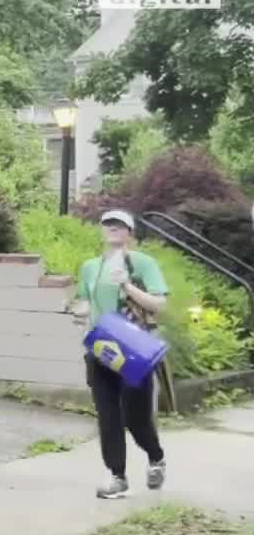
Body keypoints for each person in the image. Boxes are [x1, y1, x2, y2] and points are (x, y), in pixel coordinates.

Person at [67, 209, 168, 500]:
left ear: (130, 232)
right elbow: (88, 305)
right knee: (108, 416)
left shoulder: (143, 263)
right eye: (107, 224)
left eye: (119, 224)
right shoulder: (89, 267)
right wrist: (77, 311)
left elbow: (159, 304)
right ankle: (117, 476)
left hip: (134, 350)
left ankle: (156, 456)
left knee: (136, 418)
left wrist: (126, 285)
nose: (112, 228)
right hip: (100, 349)